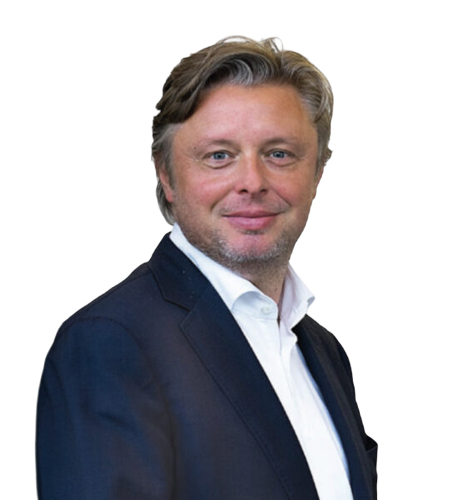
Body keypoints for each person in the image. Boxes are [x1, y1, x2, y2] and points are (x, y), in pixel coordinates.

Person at [36, 37, 377, 500]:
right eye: (219, 156)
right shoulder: (108, 344)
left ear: (317, 172)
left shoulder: (325, 352)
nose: (252, 182)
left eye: (279, 154)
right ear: (166, 174)